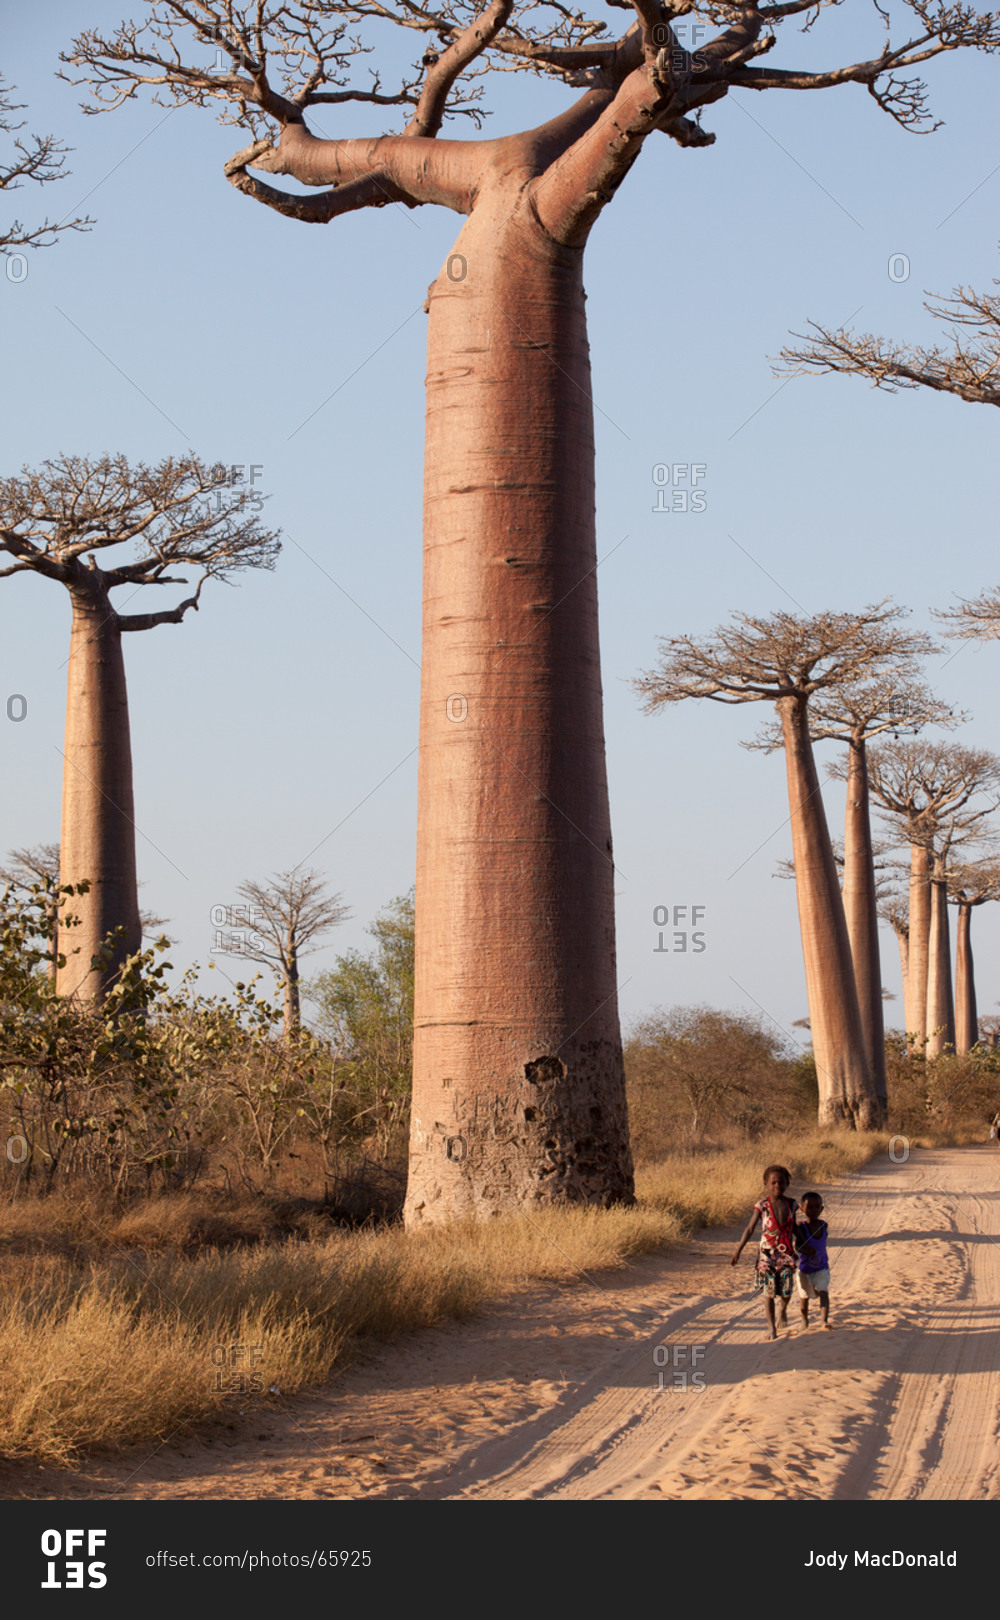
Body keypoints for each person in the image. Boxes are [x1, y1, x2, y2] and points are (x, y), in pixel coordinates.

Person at [731, 1164, 799, 1339]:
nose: (777, 1186)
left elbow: (795, 1229)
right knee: (768, 1292)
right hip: (766, 1255)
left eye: (781, 1182)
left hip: (786, 1254)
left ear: (787, 1183)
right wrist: (738, 1250)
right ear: (766, 1184)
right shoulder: (761, 1206)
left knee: (786, 1291)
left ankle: (783, 1310)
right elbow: (750, 1229)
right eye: (773, 1182)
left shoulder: (791, 1205)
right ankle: (771, 1327)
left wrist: (805, 1245)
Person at [794, 1191, 831, 1330]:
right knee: (804, 1297)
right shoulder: (801, 1228)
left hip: (821, 1268)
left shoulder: (823, 1226)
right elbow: (797, 1245)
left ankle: (824, 1321)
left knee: (823, 1292)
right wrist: (805, 1250)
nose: (813, 1210)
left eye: (817, 1207)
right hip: (805, 1269)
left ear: (821, 1208)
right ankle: (804, 1320)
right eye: (809, 1207)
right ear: (802, 1209)